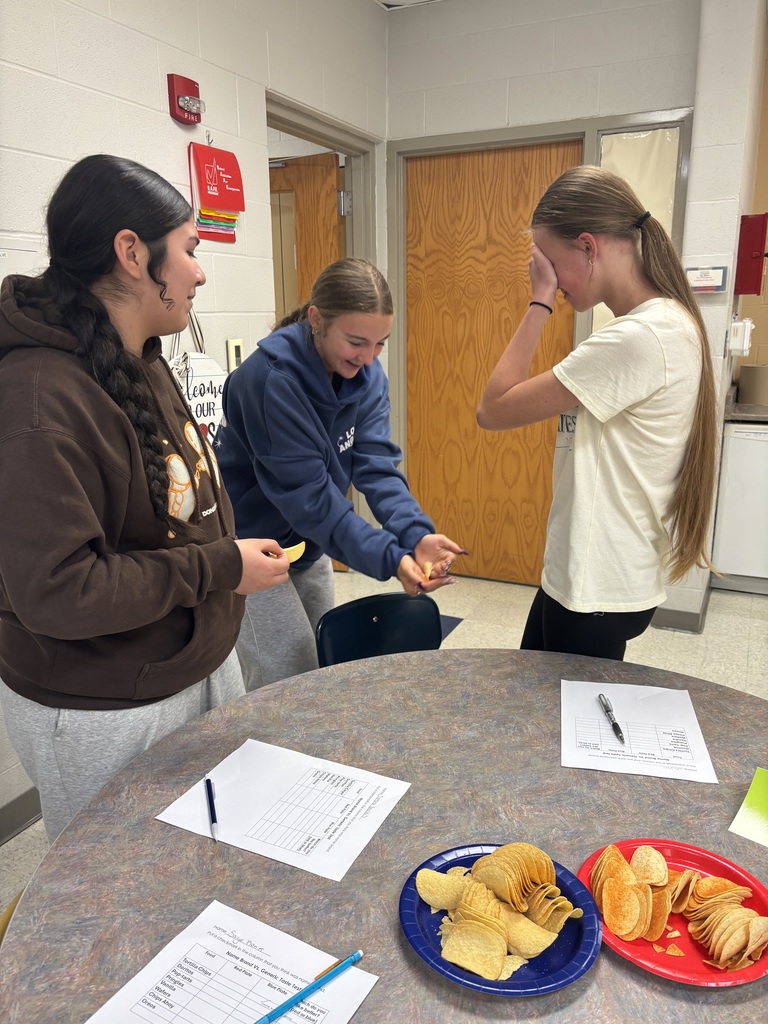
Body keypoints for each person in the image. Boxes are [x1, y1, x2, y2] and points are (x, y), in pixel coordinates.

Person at [0, 155, 289, 842]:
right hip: (109, 703)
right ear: (132, 253)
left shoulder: (139, 357)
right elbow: (60, 591)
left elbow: (176, 507)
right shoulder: (37, 399)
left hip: (190, 665)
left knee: (204, 866)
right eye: (190, 248)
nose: (200, 269)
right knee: (120, 897)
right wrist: (218, 569)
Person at [476, 165, 717, 661]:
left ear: (588, 247)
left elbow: (493, 409)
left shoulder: (638, 337)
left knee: (561, 730)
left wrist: (538, 301)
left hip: (597, 584)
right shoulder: (661, 325)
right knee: (536, 707)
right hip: (590, 573)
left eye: (550, 263)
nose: (550, 278)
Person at [215, 257, 466, 689]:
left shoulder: (365, 374)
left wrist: (415, 534)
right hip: (252, 547)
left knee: (324, 664)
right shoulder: (269, 381)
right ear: (316, 319)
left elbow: (376, 466)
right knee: (286, 674)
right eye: (356, 342)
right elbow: (311, 499)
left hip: (309, 543)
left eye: (380, 344)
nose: (369, 360)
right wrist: (392, 558)